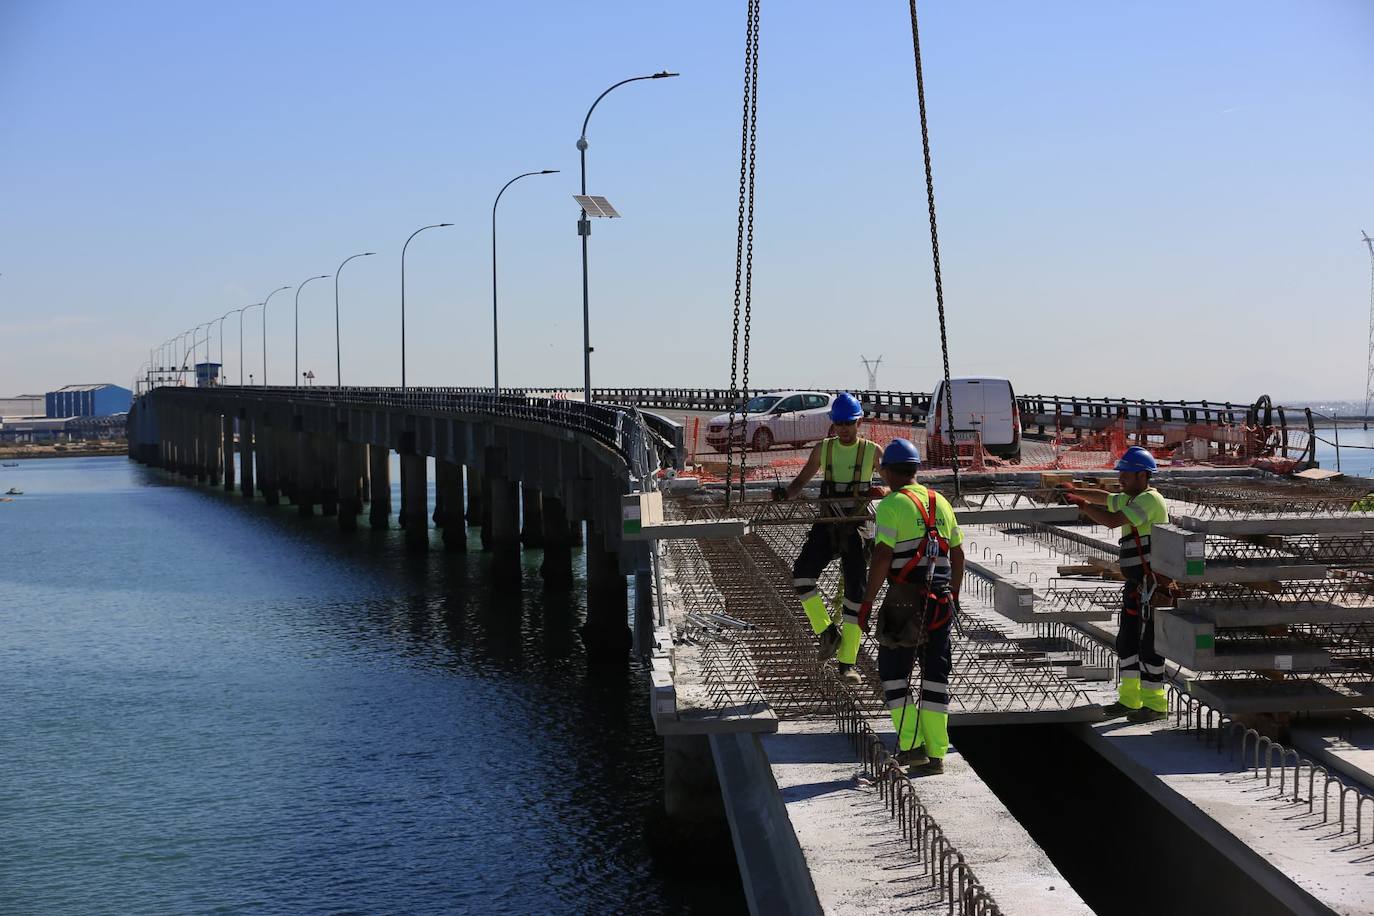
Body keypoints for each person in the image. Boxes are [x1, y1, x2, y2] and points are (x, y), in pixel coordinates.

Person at [857, 438, 963, 776]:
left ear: (888, 471)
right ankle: (936, 753)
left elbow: (882, 555)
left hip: (904, 601)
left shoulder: (891, 505)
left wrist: (868, 601)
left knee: (893, 673)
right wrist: (954, 595)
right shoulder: (940, 501)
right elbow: (957, 553)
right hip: (941, 601)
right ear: (915, 469)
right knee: (935, 676)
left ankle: (912, 746)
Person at [773, 392, 884, 686]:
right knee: (802, 576)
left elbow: (895, 484)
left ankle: (847, 664)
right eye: (839, 423)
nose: (844, 429)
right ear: (833, 423)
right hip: (828, 523)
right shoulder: (824, 449)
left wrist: (884, 492)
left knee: (855, 596)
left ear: (859, 422)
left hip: (857, 526)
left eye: (849, 423)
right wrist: (785, 494)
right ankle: (826, 632)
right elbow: (801, 481)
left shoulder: (872, 452)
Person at [1063, 446, 1170, 723]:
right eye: (1120, 473)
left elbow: (1112, 520)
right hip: (1136, 585)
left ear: (1143, 475)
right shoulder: (1131, 497)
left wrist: (1083, 506)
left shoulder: (1149, 501)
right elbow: (1108, 499)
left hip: (1153, 587)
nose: (1121, 478)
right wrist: (1076, 490)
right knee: (1127, 643)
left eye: (1126, 474)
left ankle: (1155, 705)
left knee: (1149, 648)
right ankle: (1130, 700)